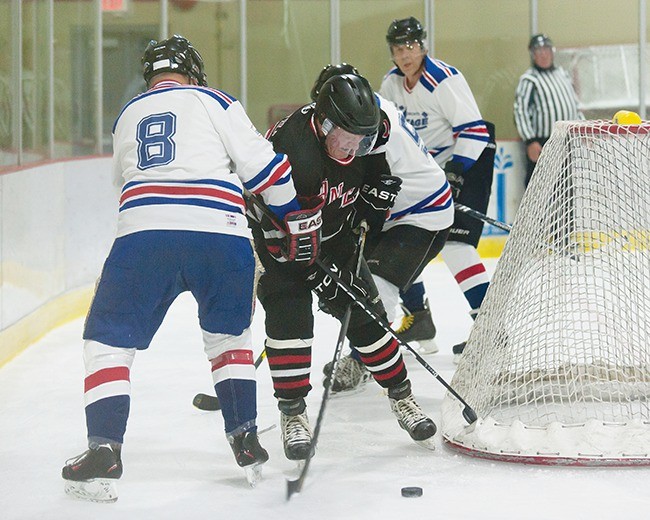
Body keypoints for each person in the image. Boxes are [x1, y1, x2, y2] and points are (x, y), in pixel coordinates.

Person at [61, 35, 321, 502]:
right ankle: (244, 437)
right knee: (230, 340)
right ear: (194, 73)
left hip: (144, 236)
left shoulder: (128, 115)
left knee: (107, 342)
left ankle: (104, 447)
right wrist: (292, 221)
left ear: (150, 78)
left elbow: (123, 184)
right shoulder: (215, 100)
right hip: (220, 235)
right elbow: (268, 173)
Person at [253, 73, 450, 461]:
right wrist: (313, 273)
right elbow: (271, 226)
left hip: (334, 237)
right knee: (289, 322)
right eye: (345, 138)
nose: (353, 148)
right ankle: (293, 414)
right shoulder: (294, 152)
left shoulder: (368, 132)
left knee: (367, 317)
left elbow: (372, 171)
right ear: (324, 123)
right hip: (280, 244)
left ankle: (403, 399)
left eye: (362, 139)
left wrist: (374, 199)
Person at [309, 63, 453, 393]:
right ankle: (418, 314)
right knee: (365, 275)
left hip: (423, 216)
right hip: (397, 208)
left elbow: (352, 195)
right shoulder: (368, 112)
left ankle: (361, 359)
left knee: (377, 284)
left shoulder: (371, 139)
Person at [379, 17, 496, 360]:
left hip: (468, 160)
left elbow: (475, 131)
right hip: (425, 172)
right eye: (398, 49)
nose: (405, 55)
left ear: (423, 45)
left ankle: (489, 329)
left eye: (410, 46)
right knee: (398, 236)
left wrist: (457, 171)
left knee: (457, 244)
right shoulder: (391, 85)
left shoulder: (443, 79)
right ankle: (419, 316)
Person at [514, 34, 583, 187]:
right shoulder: (530, 79)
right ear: (533, 54)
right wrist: (530, 141)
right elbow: (520, 111)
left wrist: (583, 130)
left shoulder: (562, 74)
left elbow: (575, 105)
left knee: (567, 186)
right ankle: (532, 212)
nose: (543, 54)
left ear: (552, 52)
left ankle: (567, 212)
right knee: (539, 188)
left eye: (546, 49)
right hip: (543, 143)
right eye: (538, 51)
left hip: (568, 140)